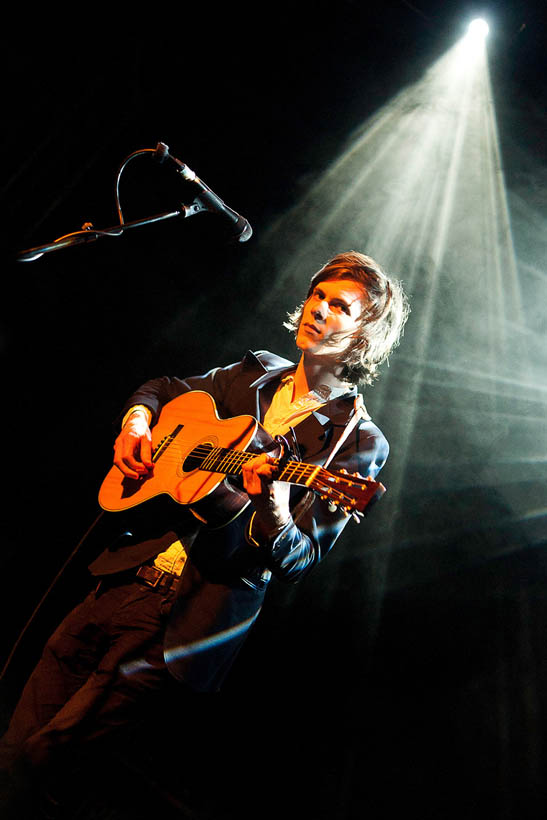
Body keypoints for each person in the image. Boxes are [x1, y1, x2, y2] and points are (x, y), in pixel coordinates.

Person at [0, 250, 409, 815]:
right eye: (317, 296)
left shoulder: (357, 445)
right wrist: (136, 423)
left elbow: (299, 558)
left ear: (365, 333)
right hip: (123, 575)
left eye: (340, 307)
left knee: (43, 758)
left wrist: (274, 505)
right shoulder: (255, 373)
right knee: (12, 745)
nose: (319, 310)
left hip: (186, 617)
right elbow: (164, 388)